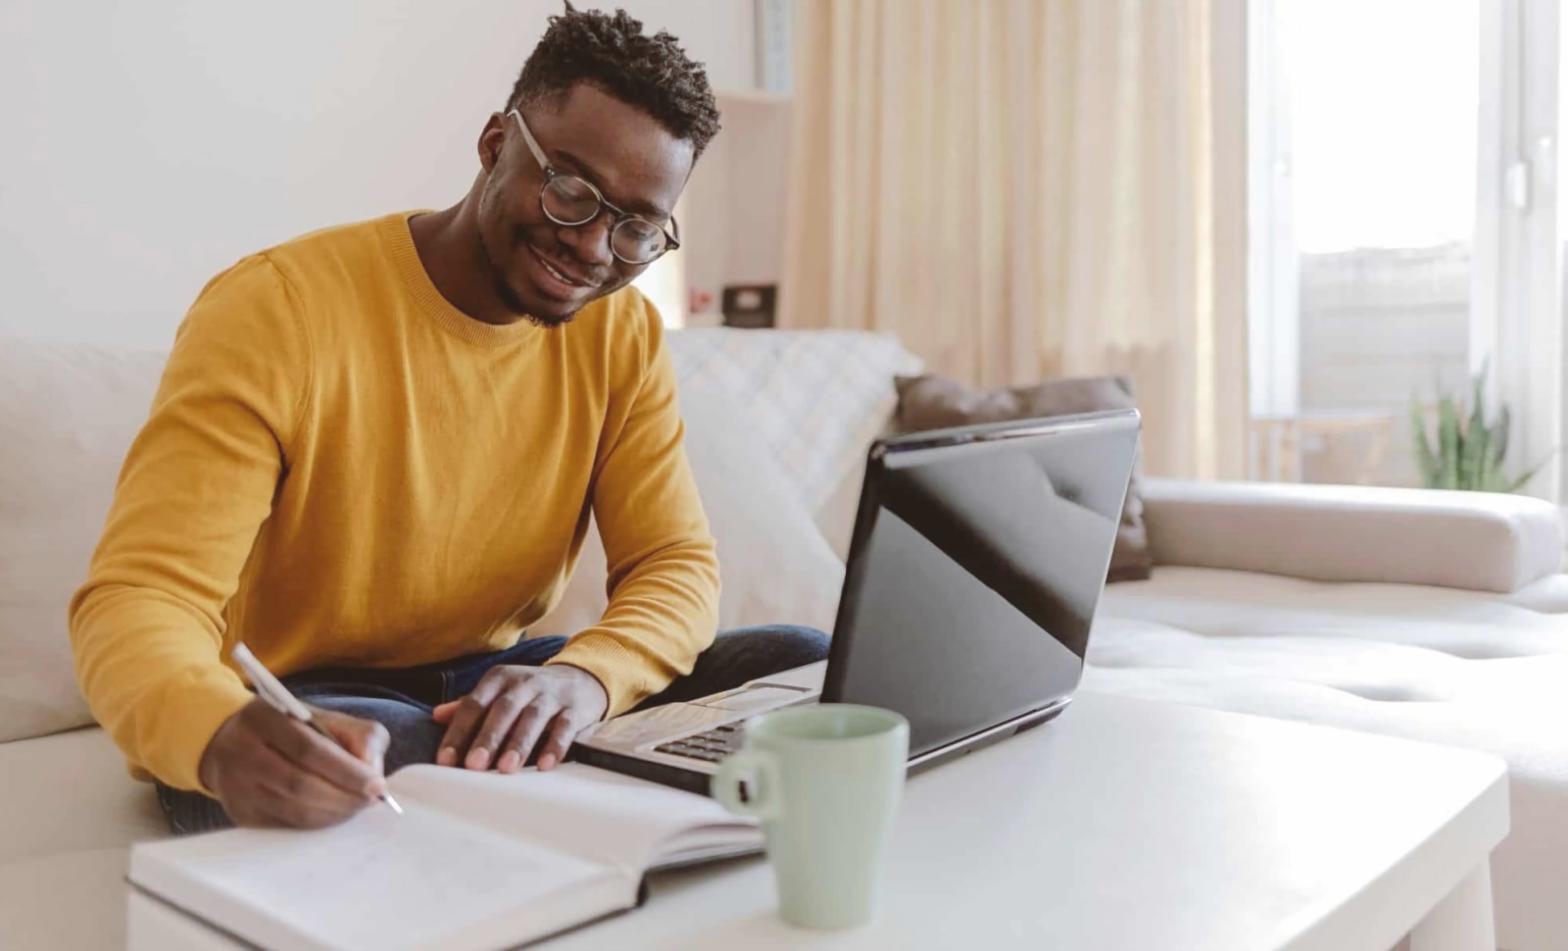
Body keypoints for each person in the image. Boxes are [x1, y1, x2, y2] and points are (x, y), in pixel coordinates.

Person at [67, 5, 827, 834]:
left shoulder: (624, 335)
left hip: (486, 684)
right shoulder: (276, 309)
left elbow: (676, 565)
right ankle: (543, 792)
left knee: (801, 662)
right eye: (573, 190)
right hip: (305, 698)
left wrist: (586, 681)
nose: (594, 248)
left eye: (637, 226)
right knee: (374, 748)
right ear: (497, 143)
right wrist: (214, 736)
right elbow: (140, 597)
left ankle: (532, 782)